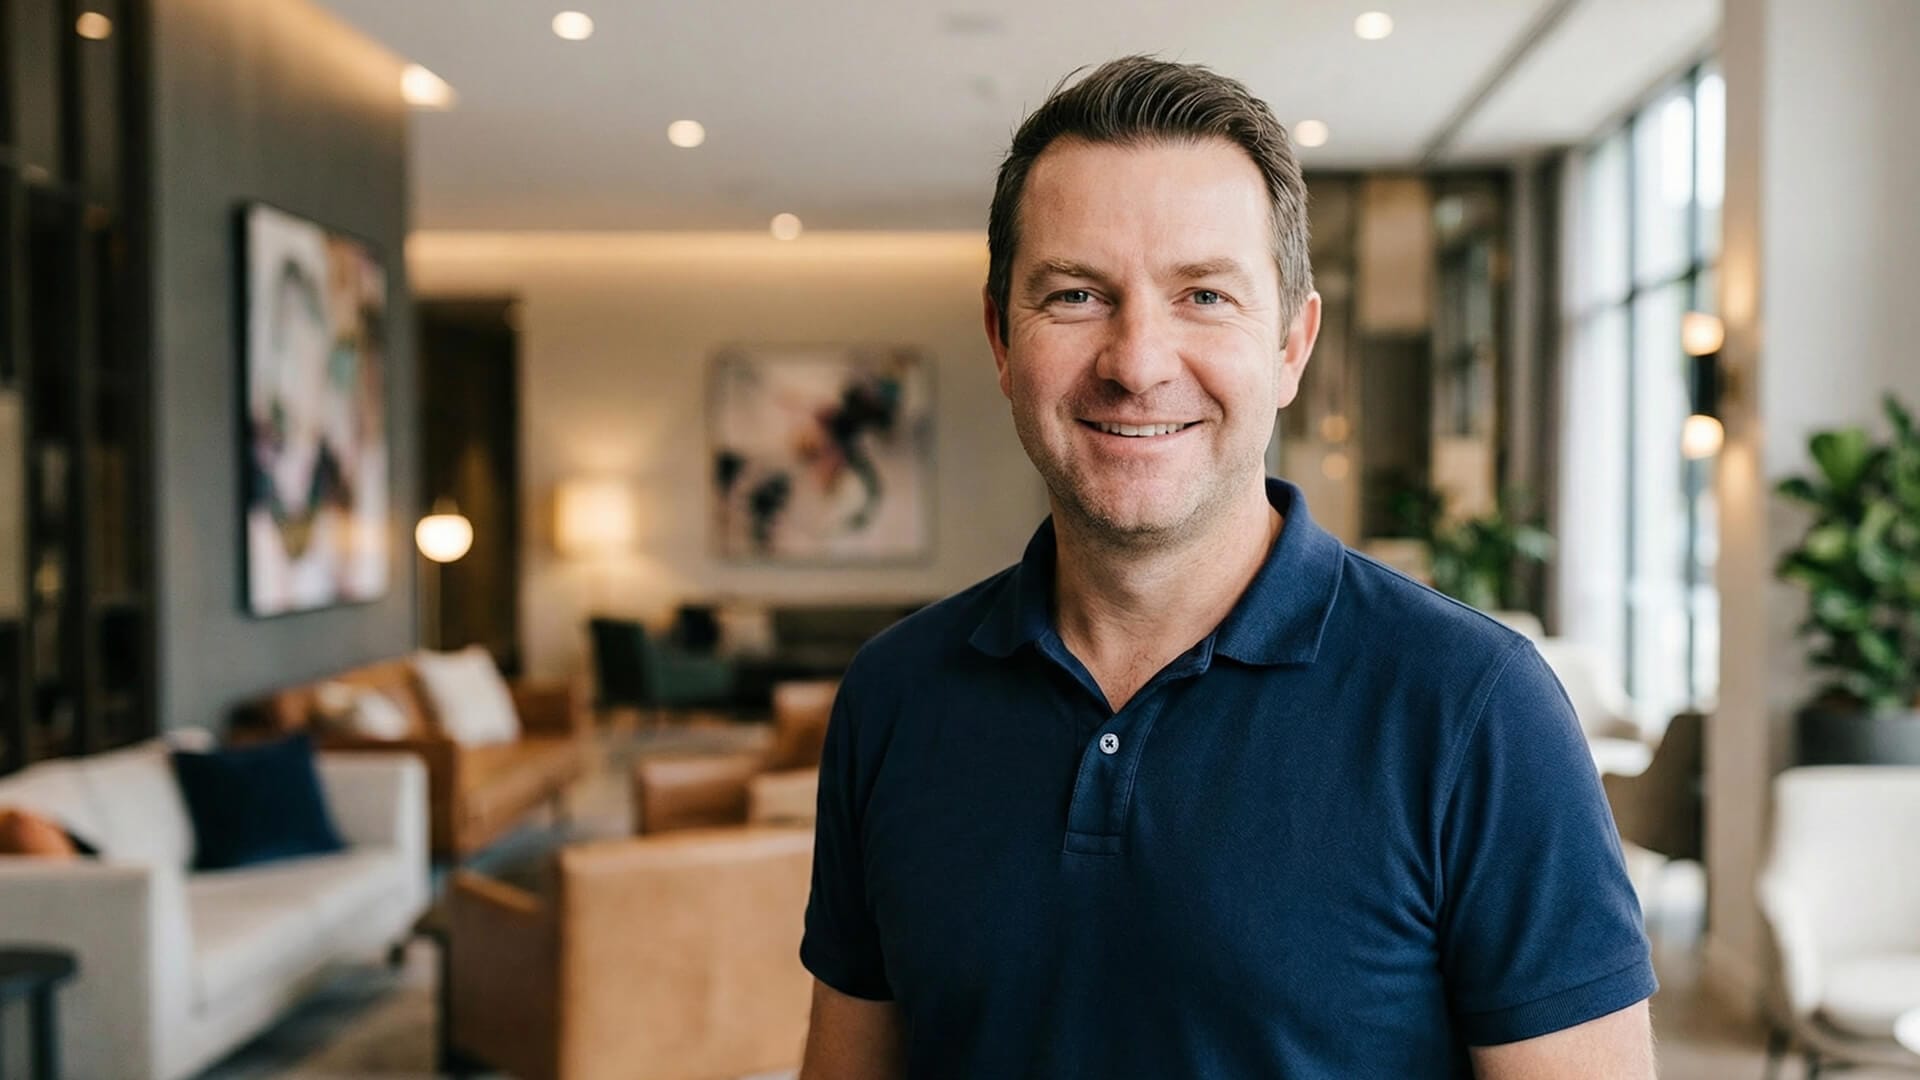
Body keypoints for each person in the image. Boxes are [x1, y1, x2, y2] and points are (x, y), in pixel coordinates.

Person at [798, 56, 1656, 1078]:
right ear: (1000, 337)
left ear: (1292, 344)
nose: (1138, 361)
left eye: (1204, 294)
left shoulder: (1476, 709)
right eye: (1077, 295)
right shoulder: (894, 696)